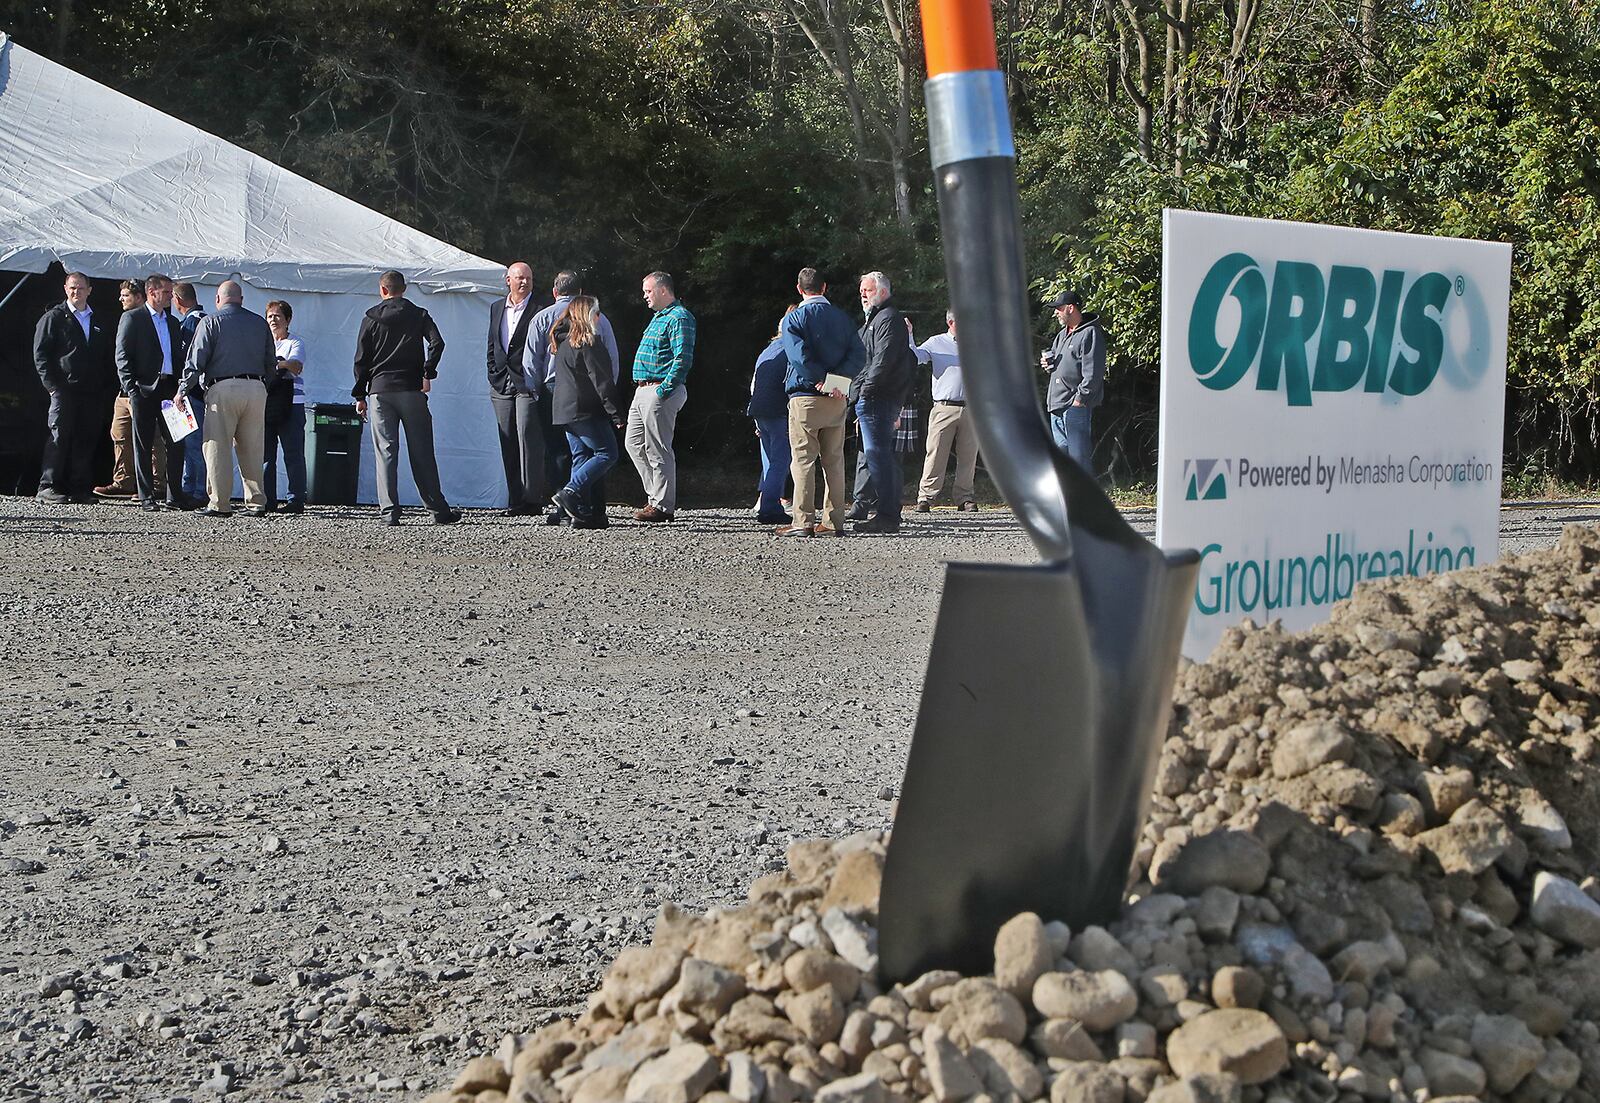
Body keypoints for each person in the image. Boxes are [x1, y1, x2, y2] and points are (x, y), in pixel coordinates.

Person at [351, 270, 461, 526]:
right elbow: (437, 343)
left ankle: (389, 511)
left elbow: (361, 359)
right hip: (411, 389)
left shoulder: (370, 318)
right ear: (404, 288)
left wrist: (360, 393)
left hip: (380, 390)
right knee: (421, 450)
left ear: (383, 290)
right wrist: (427, 371)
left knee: (386, 451)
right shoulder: (419, 314)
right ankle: (437, 509)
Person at [524, 270, 620, 524]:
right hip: (585, 398)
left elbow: (531, 363)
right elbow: (608, 368)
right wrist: (613, 406)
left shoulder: (549, 326)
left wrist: (536, 392)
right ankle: (576, 496)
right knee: (604, 453)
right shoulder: (594, 332)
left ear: (555, 292)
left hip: (555, 395)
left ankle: (571, 511)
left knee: (564, 454)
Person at [776, 268, 865, 537]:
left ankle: (802, 521)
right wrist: (836, 382)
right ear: (824, 287)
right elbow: (859, 355)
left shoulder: (794, 319)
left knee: (803, 460)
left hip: (805, 396)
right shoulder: (843, 318)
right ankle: (833, 521)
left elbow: (798, 357)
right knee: (834, 461)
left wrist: (819, 379)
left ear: (799, 289)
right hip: (837, 397)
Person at [179, 281, 275, 516]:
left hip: (222, 387)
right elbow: (270, 362)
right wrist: (263, 386)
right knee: (253, 447)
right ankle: (256, 502)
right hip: (255, 388)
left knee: (217, 446)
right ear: (241, 299)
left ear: (218, 300)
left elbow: (196, 360)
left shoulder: (210, 322)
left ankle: (220, 503)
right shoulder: (259, 323)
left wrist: (182, 389)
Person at [115, 273, 194, 511]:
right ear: (152, 292)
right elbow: (122, 356)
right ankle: (146, 495)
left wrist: (182, 386)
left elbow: (178, 356)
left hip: (170, 389)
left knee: (177, 439)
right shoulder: (133, 318)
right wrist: (132, 388)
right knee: (143, 442)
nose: (172, 296)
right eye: (167, 292)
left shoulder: (171, 322)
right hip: (144, 388)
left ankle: (174, 495)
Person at [33, 271, 113, 503]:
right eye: (71, 288)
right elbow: (41, 355)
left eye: (80, 288)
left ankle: (79, 488)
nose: (75, 292)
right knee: (59, 436)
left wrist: (104, 385)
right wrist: (52, 387)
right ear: (65, 289)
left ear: (89, 290)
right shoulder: (54, 318)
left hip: (91, 392)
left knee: (85, 438)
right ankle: (47, 486)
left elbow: (106, 355)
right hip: (63, 389)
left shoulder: (98, 320)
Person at [547, 296, 623, 530]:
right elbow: (602, 382)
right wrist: (616, 414)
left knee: (580, 457)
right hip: (585, 409)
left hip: (564, 410)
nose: (599, 317)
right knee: (607, 453)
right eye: (596, 312)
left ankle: (578, 513)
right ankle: (570, 492)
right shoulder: (589, 342)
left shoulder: (563, 342)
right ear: (588, 315)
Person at [625, 270, 694, 522]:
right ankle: (655, 497)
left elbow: (683, 357)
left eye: (648, 291)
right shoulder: (657, 318)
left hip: (658, 390)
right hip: (643, 389)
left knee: (658, 449)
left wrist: (664, 390)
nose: (644, 296)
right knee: (633, 444)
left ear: (663, 290)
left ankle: (663, 506)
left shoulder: (679, 317)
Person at [850, 271, 915, 533]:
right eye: (861, 291)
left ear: (883, 291)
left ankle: (887, 516)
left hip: (878, 398)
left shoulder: (888, 318)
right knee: (876, 457)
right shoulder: (873, 321)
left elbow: (883, 360)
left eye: (867, 289)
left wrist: (865, 391)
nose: (862, 294)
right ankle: (886, 513)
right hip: (873, 397)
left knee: (879, 458)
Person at [488, 261, 543, 516]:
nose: (524, 282)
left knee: (528, 440)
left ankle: (532, 499)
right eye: (520, 278)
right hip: (501, 383)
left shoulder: (540, 308)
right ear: (508, 280)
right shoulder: (496, 308)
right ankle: (515, 499)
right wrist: (492, 373)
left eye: (528, 279)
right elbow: (493, 344)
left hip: (526, 382)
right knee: (507, 440)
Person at [914, 309, 980, 511]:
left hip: (972, 408)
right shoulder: (936, 342)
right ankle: (926, 497)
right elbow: (916, 357)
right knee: (935, 453)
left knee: (969, 455)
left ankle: (964, 497)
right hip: (944, 407)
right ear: (951, 322)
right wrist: (908, 336)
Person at [1042, 289, 1105, 473]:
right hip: (1056, 405)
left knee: (1078, 458)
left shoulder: (1090, 333)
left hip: (1075, 406)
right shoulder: (1061, 335)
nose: (1056, 312)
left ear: (1070, 308)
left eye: (1058, 308)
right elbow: (1058, 367)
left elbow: (1093, 374)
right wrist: (1048, 364)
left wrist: (1079, 401)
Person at [94, 280, 147, 499]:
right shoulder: (128, 318)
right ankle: (124, 480)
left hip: (140, 387)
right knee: (120, 434)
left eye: (125, 295)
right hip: (123, 391)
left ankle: (156, 482)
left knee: (149, 438)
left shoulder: (145, 318)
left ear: (139, 296)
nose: (120, 299)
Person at [748, 308, 795, 526]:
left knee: (769, 459)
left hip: (759, 408)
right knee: (781, 460)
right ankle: (769, 507)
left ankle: (766, 502)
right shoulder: (793, 349)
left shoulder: (768, 349)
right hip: (778, 409)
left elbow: (755, 383)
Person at [263, 300, 308, 513]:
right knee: (265, 454)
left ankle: (296, 499)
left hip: (292, 403)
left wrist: (276, 363)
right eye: (270, 316)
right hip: (267, 402)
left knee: (293, 453)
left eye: (278, 316)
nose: (273, 320)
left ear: (288, 320)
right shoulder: (262, 343)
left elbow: (296, 366)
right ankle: (267, 498)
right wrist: (279, 363)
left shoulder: (295, 343)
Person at [172, 282, 208, 504]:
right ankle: (191, 486)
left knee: (193, 442)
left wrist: (182, 388)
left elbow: (189, 360)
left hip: (193, 391)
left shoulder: (192, 323)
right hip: (200, 391)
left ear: (178, 299)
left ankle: (196, 490)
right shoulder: (207, 319)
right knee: (192, 441)